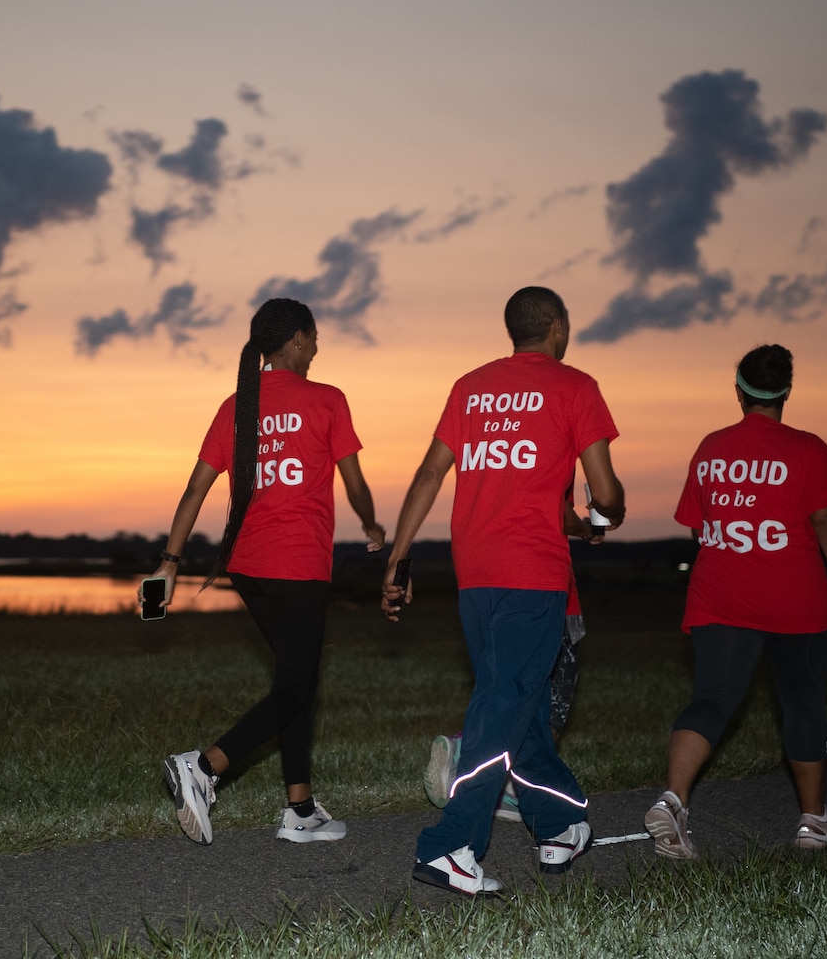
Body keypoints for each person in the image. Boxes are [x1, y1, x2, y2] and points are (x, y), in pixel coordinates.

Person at [383, 286, 624, 896]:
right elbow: (606, 493)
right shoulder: (576, 387)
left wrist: (400, 557)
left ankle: (560, 821)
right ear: (559, 329)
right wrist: (605, 516)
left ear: (512, 330)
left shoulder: (470, 386)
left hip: (476, 575)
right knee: (502, 706)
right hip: (533, 575)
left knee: (524, 709)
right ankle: (451, 844)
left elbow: (430, 473)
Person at [151, 297, 386, 847]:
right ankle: (204, 768)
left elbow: (193, 491)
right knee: (294, 686)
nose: (318, 348)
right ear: (298, 341)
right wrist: (372, 526)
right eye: (315, 338)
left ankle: (300, 808)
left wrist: (169, 564)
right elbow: (353, 482)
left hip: (249, 570)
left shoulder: (238, 405)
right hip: (299, 565)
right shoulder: (328, 400)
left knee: (294, 680)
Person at [645, 344, 827, 859]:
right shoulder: (809, 449)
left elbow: (701, 523)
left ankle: (673, 801)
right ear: (786, 392)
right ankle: (814, 821)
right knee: (802, 699)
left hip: (722, 594)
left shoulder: (712, 447)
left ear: (739, 391)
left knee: (712, 699)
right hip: (794, 597)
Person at [423, 498, 595, 817]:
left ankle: (511, 787)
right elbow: (557, 511)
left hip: (489, 590)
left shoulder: (491, 459)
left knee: (505, 691)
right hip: (545, 593)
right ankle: (468, 755)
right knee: (550, 704)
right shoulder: (551, 454)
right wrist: (588, 528)